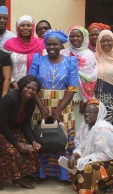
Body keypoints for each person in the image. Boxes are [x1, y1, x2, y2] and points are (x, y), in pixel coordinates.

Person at [29, 30, 79, 185]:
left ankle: (64, 175)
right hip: (40, 105)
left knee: (63, 140)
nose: (51, 47)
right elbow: (31, 83)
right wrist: (42, 108)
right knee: (42, 137)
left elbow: (72, 88)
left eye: (55, 44)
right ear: (45, 45)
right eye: (49, 44)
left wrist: (58, 109)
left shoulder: (70, 62)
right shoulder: (38, 59)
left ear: (61, 45)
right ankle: (41, 173)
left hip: (63, 105)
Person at [0, 76, 41, 190]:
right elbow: (1, 124)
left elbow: (25, 125)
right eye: (28, 87)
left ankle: (19, 177)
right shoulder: (10, 99)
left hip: (9, 128)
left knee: (31, 149)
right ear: (22, 86)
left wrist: (33, 141)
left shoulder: (31, 102)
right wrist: (16, 143)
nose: (30, 91)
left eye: (34, 90)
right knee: (11, 150)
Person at [69, 99, 113, 194]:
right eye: (85, 112)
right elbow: (81, 145)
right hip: (103, 157)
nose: (87, 114)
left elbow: (107, 154)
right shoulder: (84, 126)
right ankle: (103, 183)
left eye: (91, 112)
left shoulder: (103, 129)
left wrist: (85, 159)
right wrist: (75, 154)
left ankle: (107, 183)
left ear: (99, 114)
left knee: (88, 167)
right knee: (75, 163)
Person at [61, 25, 97, 108]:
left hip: (82, 98)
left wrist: (86, 99)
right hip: (63, 96)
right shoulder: (63, 53)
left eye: (78, 36)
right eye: (72, 36)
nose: (75, 38)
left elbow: (92, 79)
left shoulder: (89, 55)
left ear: (84, 37)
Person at [4, 15, 45, 86]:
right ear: (18, 28)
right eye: (22, 25)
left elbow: (45, 65)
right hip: (14, 86)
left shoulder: (41, 44)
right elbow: (4, 65)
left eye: (28, 25)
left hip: (35, 87)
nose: (25, 28)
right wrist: (13, 82)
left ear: (32, 27)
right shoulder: (9, 44)